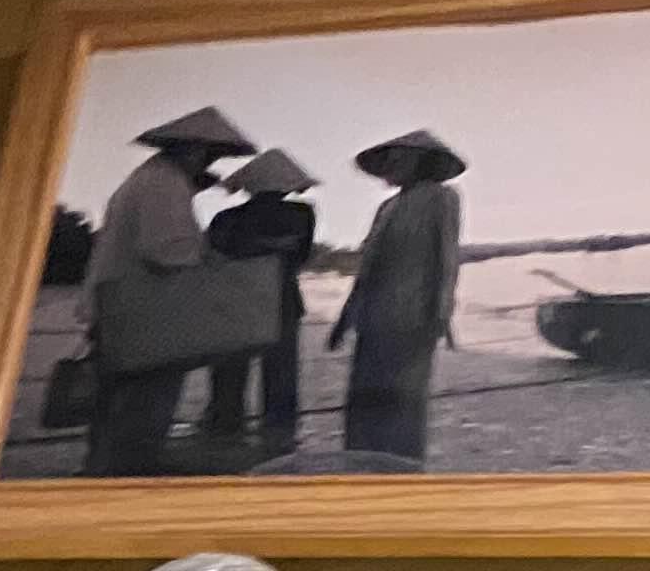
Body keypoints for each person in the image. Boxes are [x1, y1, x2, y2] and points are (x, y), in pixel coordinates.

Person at [82, 105, 249, 475]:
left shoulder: (147, 178)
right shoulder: (165, 184)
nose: (210, 163)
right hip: (147, 314)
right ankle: (128, 474)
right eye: (209, 155)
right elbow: (166, 251)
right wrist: (210, 262)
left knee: (112, 406)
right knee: (145, 405)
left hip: (119, 306)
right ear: (193, 150)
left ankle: (103, 471)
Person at [332, 128, 467, 462]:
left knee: (404, 400)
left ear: (421, 162)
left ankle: (402, 466)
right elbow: (367, 270)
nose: (391, 167)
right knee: (365, 397)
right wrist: (345, 318)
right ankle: (364, 461)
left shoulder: (442, 198)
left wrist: (441, 314)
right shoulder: (387, 206)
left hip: (413, 316)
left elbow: (446, 259)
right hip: (373, 317)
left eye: (398, 160)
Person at [198, 148, 317, 453]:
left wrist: (256, 245)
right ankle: (278, 446)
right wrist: (274, 245)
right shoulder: (301, 215)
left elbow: (214, 257)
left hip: (236, 303)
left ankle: (223, 441)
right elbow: (300, 255)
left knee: (229, 381)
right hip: (281, 303)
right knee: (280, 382)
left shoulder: (226, 219)